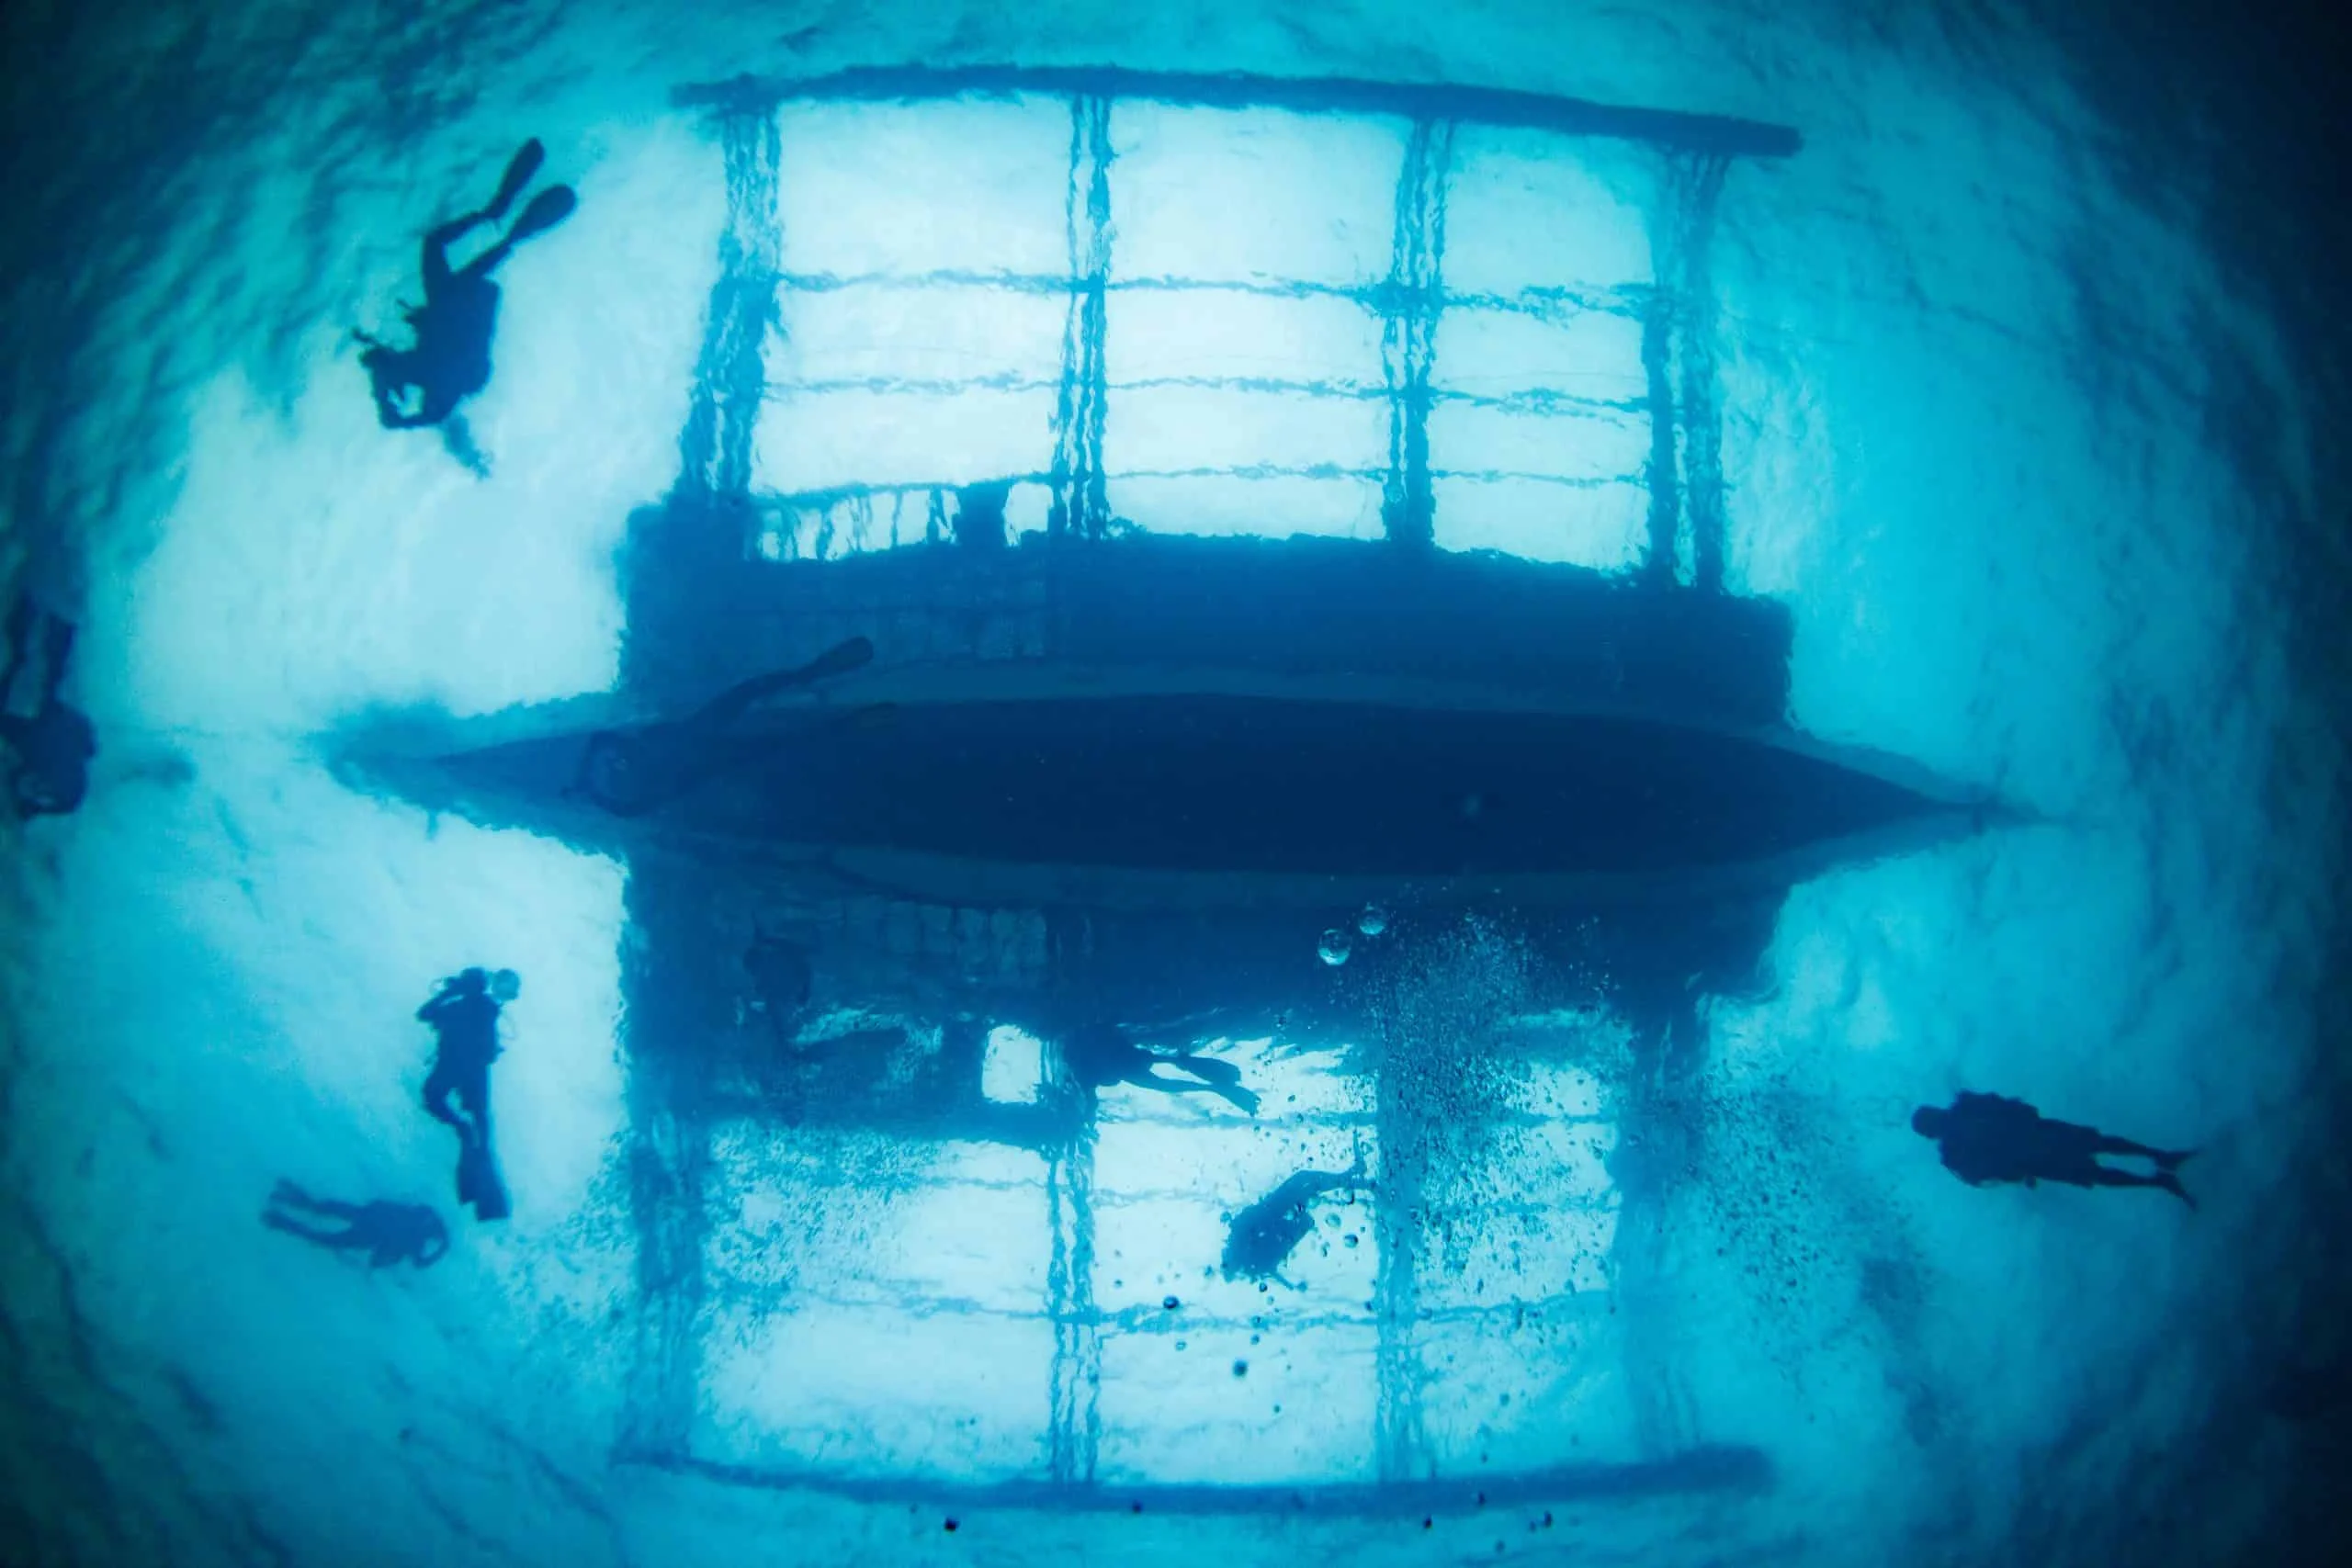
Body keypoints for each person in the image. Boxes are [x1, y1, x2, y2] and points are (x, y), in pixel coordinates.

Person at [356, 138, 576, 432]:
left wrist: (391, 409)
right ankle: (498, 217)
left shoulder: (417, 373)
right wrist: (393, 411)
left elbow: (384, 369)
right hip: (455, 308)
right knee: (437, 247)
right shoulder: (420, 375)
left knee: (438, 248)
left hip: (454, 307)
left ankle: (498, 218)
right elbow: (425, 404)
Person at [571, 636, 876, 818]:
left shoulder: (652, 777)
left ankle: (822, 690)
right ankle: (816, 680)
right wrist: (589, 784)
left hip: (705, 743)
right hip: (706, 743)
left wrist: (588, 786)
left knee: (767, 725)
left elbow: (626, 803)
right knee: (758, 710)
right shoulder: (652, 773)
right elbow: (607, 745)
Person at [1911, 1091, 2195, 1207]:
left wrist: (2017, 1173)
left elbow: (1983, 1178)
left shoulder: (1962, 1115)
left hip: (2034, 1145)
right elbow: (1983, 1177)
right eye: (1932, 1118)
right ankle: (2159, 1170)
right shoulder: (1957, 1135)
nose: (1938, 1117)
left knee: (2097, 1158)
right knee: (2097, 1159)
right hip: (2034, 1147)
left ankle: (2159, 1169)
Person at [417, 966, 520, 1220]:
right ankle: (469, 1136)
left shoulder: (476, 1006)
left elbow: (425, 1014)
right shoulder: (472, 1005)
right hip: (467, 1069)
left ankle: (466, 1133)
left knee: (447, 1105)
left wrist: (451, 992)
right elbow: (425, 1015)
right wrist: (453, 992)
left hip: (462, 1067)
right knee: (476, 1119)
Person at [0, 598, 96, 819]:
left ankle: (50, 619)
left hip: (59, 730)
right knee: (41, 673)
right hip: (53, 730)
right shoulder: (38, 755)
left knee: (47, 673)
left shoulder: (62, 794)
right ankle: (41, 617)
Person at [1222, 1155, 1370, 1284]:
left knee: (1307, 1184)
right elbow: (1254, 1221)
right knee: (1306, 1182)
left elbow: (1250, 1218)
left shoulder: (1247, 1254)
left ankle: (1354, 1177)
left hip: (1278, 1213)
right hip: (1278, 1211)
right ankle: (1353, 1177)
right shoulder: (1247, 1254)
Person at [1063, 1021, 1260, 1116]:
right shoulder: (1085, 1048)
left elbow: (1091, 1095)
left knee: (1164, 1083)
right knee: (1170, 1065)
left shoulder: (1081, 1069)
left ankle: (1216, 1088)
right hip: (1130, 1058)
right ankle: (1215, 1083)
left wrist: (1086, 1114)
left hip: (1126, 1067)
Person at [263, 1180, 449, 1269]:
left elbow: (392, 1204)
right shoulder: (417, 1241)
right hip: (369, 1234)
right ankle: (280, 1221)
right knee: (324, 1238)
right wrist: (442, 1250)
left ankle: (286, 1196)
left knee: (320, 1208)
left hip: (368, 1214)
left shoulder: (420, 1214)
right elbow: (417, 1263)